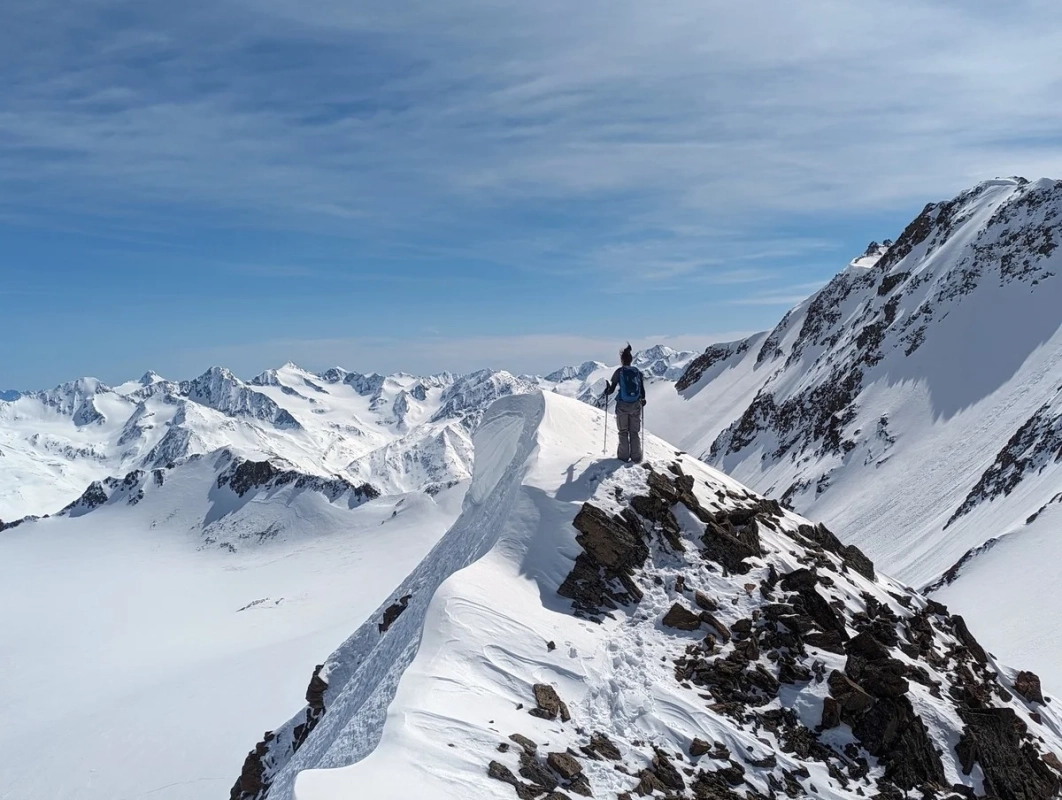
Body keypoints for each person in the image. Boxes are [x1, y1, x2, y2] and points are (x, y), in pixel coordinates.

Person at [602, 344, 646, 463]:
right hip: (636, 405)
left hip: (622, 405)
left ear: (622, 360)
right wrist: (643, 400)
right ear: (631, 360)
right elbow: (642, 390)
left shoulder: (619, 372)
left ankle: (623, 457)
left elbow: (611, 390)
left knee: (623, 432)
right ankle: (636, 457)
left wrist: (607, 390)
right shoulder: (637, 372)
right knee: (634, 432)